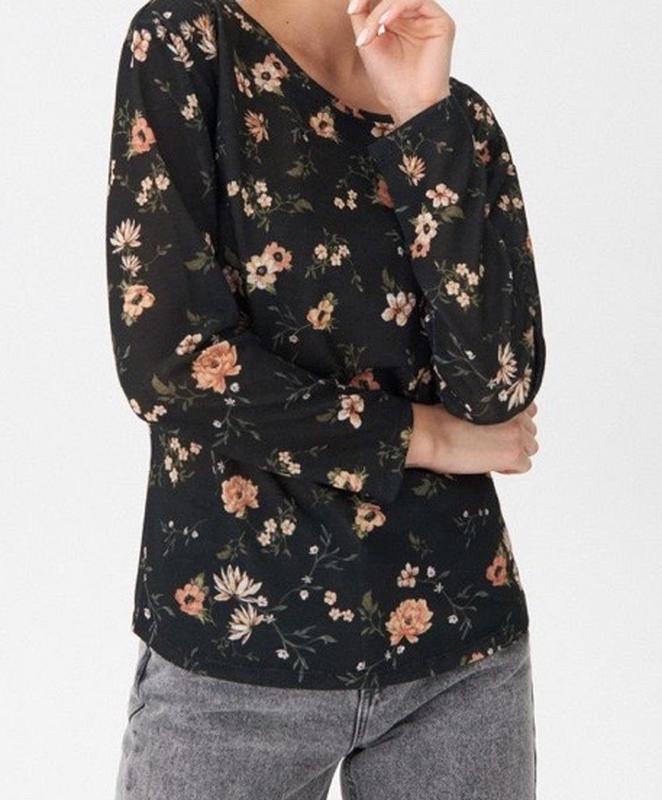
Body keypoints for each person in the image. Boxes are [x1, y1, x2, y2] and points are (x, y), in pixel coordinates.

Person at [105, 0, 546, 797]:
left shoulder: (456, 118)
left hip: (459, 656)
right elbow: (171, 361)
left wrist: (423, 120)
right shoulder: (188, 44)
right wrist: (423, 436)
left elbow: (499, 391)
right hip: (235, 659)